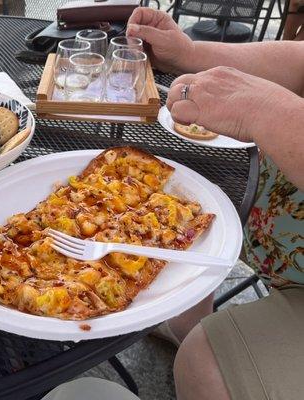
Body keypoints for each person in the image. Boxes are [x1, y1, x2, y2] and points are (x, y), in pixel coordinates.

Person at [126, 7, 304, 400]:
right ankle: (182, 323)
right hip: (274, 222)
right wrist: (190, 53)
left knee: (206, 362)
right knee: (180, 215)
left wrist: (270, 112)